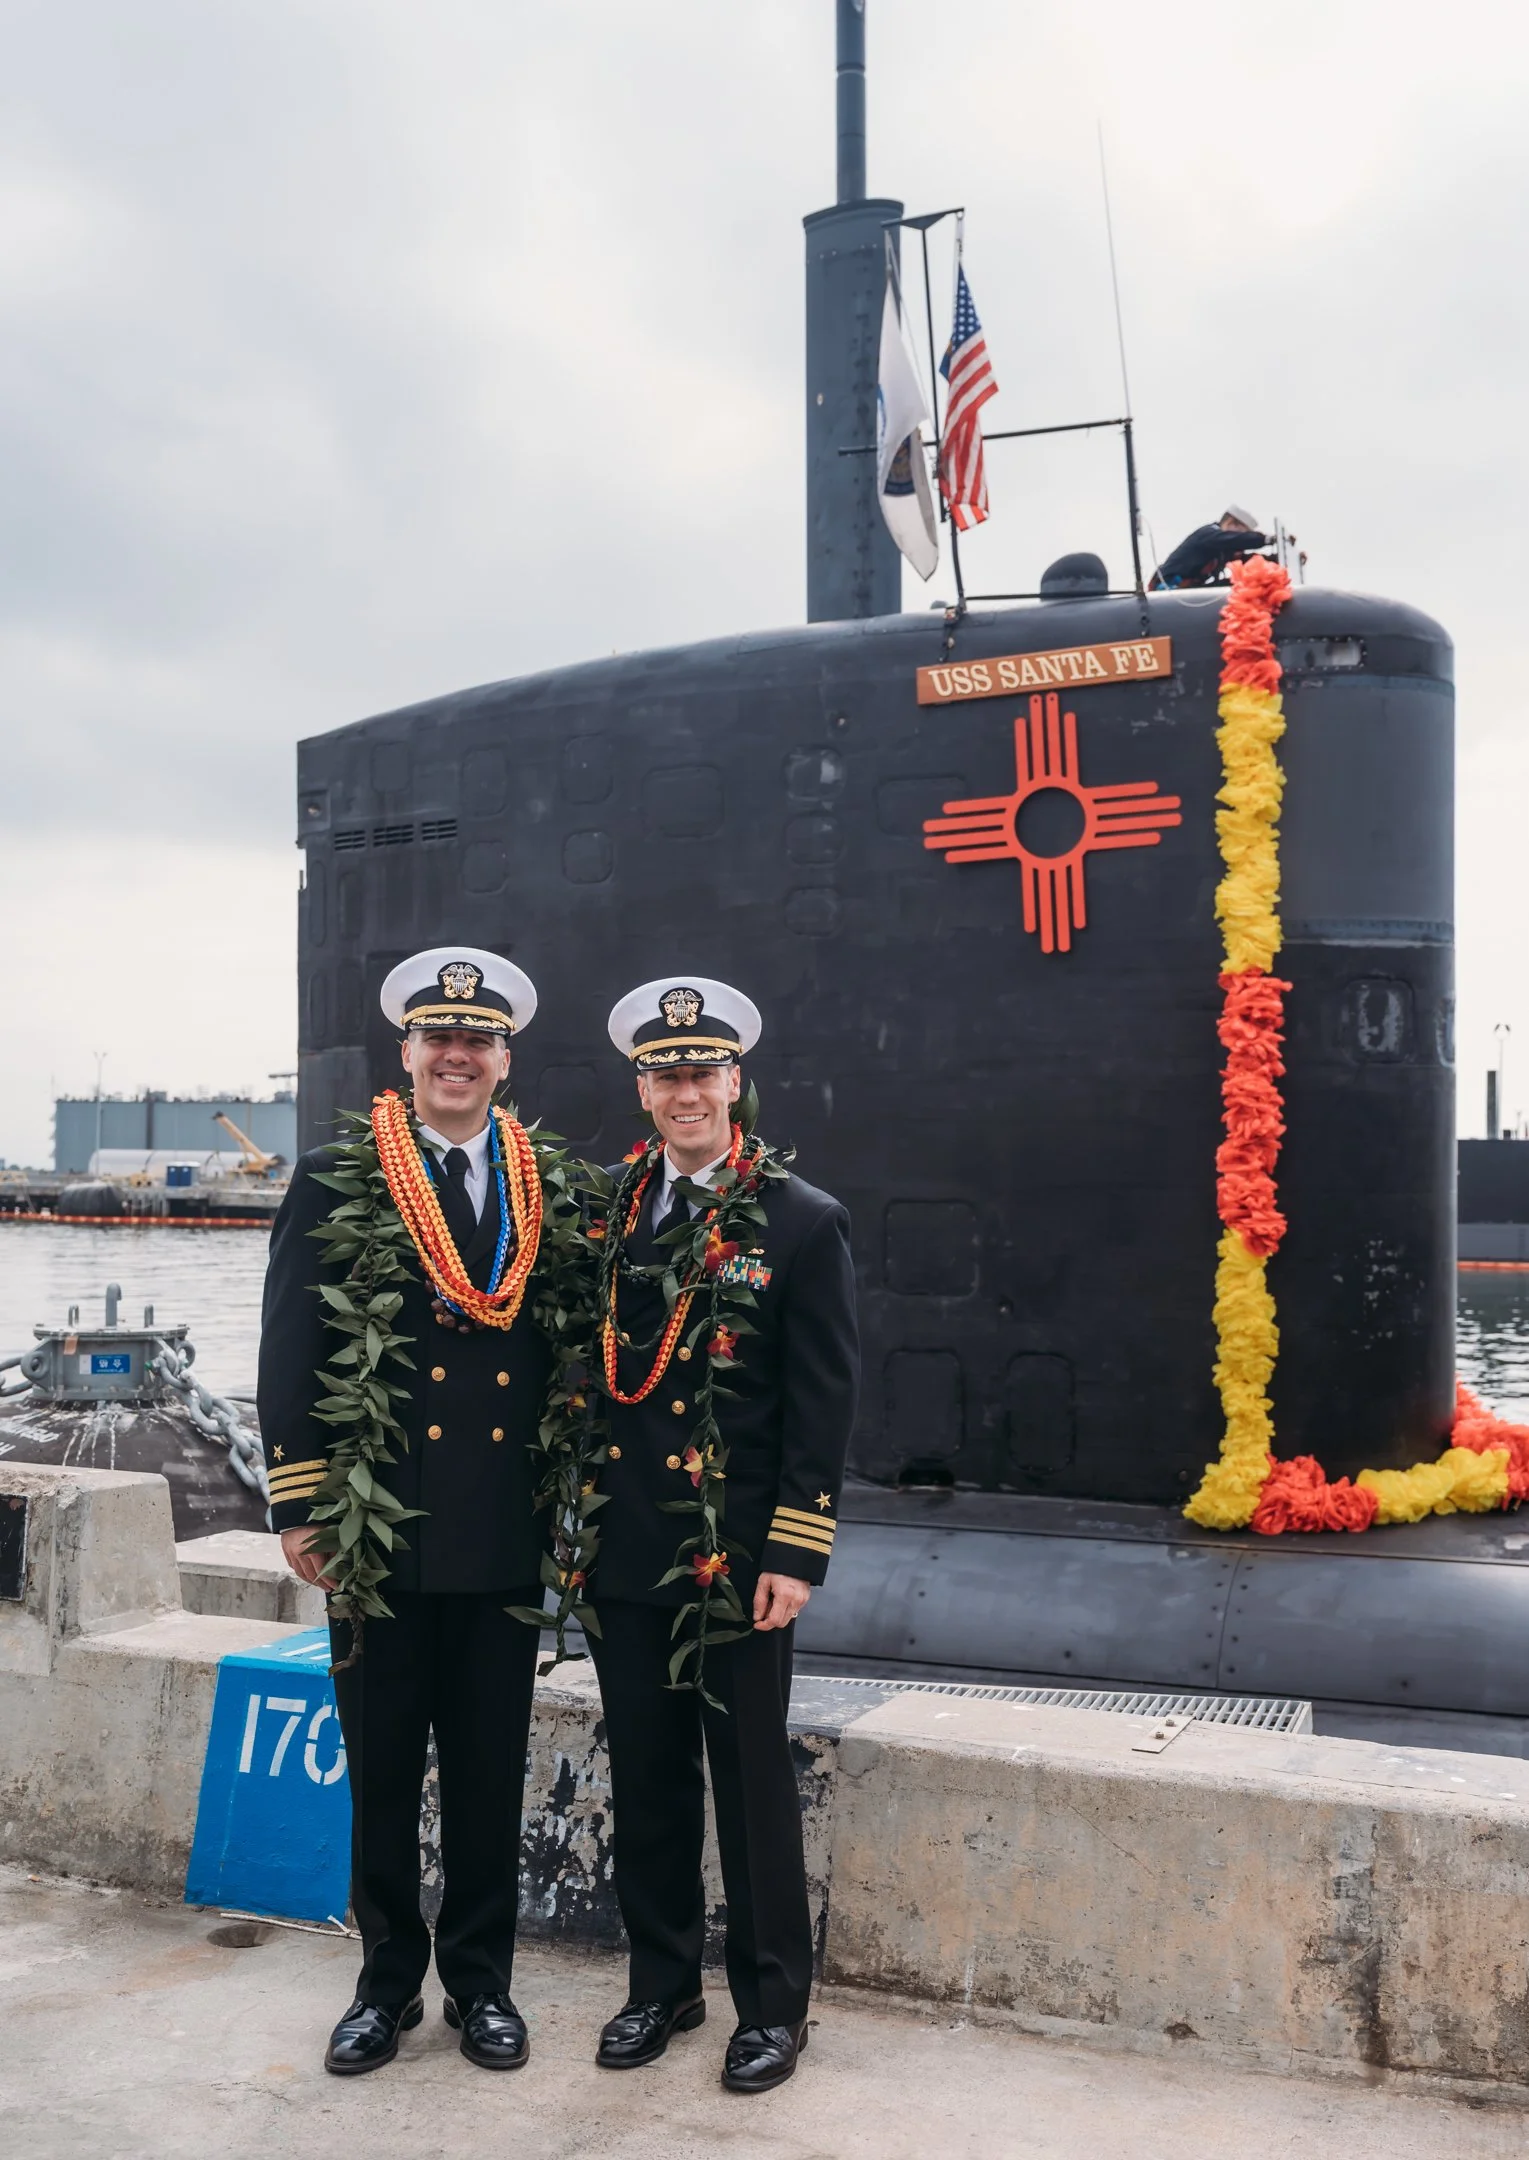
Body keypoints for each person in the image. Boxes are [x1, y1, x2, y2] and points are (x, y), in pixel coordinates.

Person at [259, 947, 554, 2078]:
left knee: (488, 1772)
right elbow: (290, 1352)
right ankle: (385, 1985)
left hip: (496, 1542)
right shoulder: (338, 1178)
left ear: (502, 1060)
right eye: (439, 1039)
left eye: (476, 1041)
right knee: (383, 1772)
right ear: (408, 1055)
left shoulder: (541, 1186)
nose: (457, 1056)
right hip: (377, 1540)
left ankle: (481, 1985)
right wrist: (299, 1506)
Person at [586, 977, 859, 2095]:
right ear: (641, 1087)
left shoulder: (800, 1220)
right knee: (645, 1775)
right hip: (624, 1546)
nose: (684, 1089)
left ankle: (770, 2005)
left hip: (735, 1559)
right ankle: (660, 1984)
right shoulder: (608, 1208)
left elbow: (821, 1400)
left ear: (735, 1082)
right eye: (664, 1073)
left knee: (747, 1782)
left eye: (703, 1071)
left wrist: (794, 1553)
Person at [1149, 504, 1269, 590]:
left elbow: (1245, 560)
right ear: (1230, 523)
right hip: (1168, 588)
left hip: (1190, 589)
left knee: (1239, 584)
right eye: (1242, 533)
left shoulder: (1223, 548)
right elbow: (1235, 540)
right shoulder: (1209, 535)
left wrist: (1272, 559)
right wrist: (1266, 539)